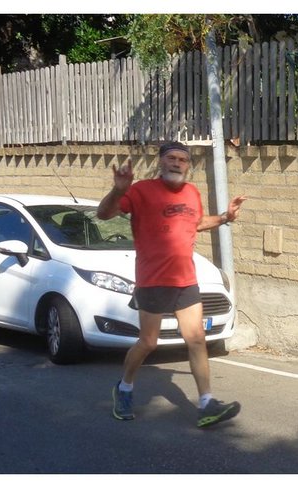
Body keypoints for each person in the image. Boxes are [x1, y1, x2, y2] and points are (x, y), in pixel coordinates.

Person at [97, 141, 247, 428]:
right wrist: (118, 190)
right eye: (171, 158)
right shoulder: (140, 191)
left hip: (185, 281)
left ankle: (206, 404)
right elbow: (103, 214)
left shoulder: (192, 193)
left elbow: (196, 222)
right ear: (161, 162)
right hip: (152, 280)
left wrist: (225, 218)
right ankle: (124, 387)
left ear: (188, 165)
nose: (177, 163)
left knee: (196, 339)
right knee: (148, 342)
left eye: (182, 159)